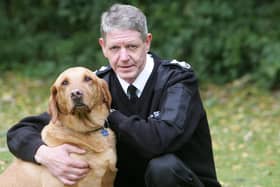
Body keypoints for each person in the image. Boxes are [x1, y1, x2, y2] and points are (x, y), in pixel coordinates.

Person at [7, 3, 221, 187]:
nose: (124, 57)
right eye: (115, 48)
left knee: (163, 167)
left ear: (147, 42)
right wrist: (44, 154)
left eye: (132, 46)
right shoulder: (97, 86)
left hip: (184, 181)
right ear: (103, 47)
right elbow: (20, 132)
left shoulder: (177, 81)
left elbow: (159, 142)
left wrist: (110, 114)